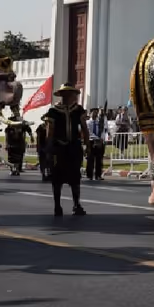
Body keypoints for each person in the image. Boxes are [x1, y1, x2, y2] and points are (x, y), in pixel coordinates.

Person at [44, 84, 90, 216]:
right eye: (69, 94)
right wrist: (48, 148)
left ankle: (76, 205)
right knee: (57, 178)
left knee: (75, 177)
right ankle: (57, 206)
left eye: (73, 94)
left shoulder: (78, 110)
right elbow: (49, 131)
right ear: (64, 95)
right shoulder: (53, 111)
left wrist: (87, 145)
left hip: (74, 148)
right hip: (58, 148)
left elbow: (84, 129)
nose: (72, 96)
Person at [3, 108, 34, 176]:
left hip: (19, 144)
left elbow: (28, 129)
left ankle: (16, 169)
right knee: (11, 158)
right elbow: (7, 135)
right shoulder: (9, 128)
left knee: (18, 157)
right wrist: (6, 144)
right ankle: (12, 170)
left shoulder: (22, 125)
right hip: (11, 144)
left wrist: (31, 136)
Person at [85, 107, 108, 181]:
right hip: (91, 142)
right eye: (94, 112)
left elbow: (102, 131)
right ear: (90, 113)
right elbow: (89, 132)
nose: (95, 114)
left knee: (99, 159)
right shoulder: (88, 122)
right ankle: (89, 175)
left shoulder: (99, 122)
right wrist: (97, 138)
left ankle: (98, 175)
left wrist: (101, 139)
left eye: (96, 112)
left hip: (99, 142)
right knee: (90, 159)